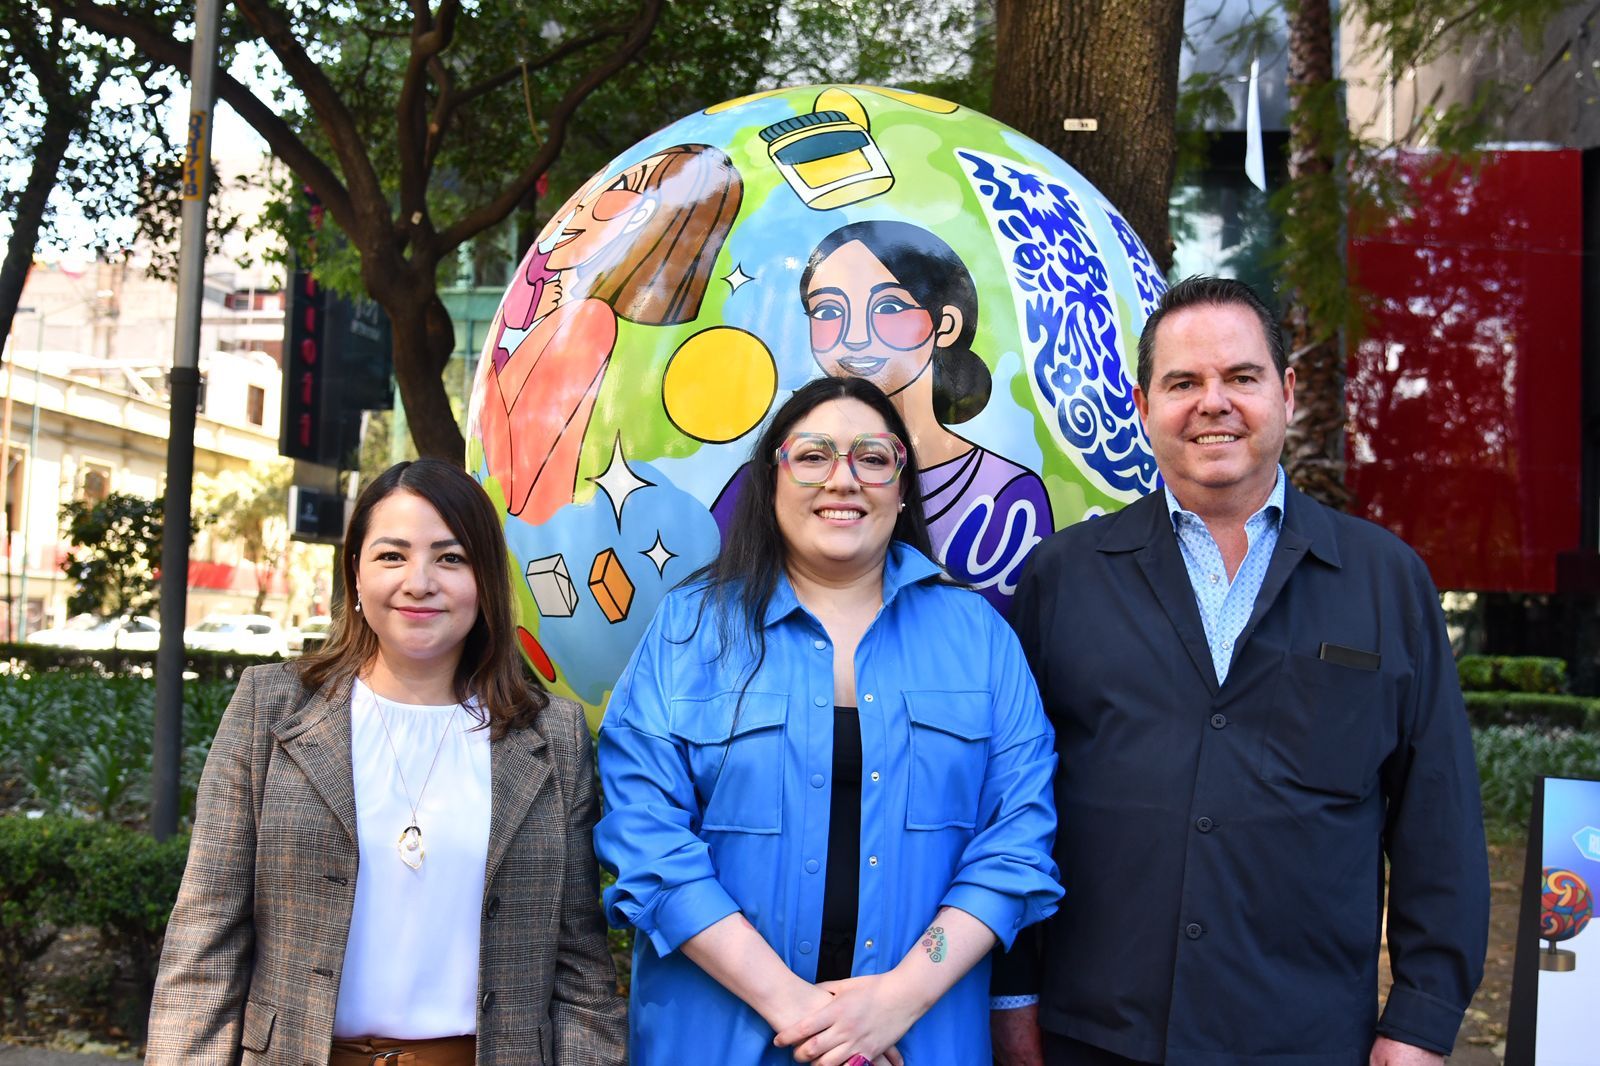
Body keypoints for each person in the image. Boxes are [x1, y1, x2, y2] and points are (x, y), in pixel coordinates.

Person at [991, 276, 1490, 1066]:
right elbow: (1014, 806)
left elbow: (1440, 819)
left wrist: (1420, 1023)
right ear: (1143, 404)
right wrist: (1013, 999)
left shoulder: (1386, 581)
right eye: (1183, 382)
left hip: (1308, 1041)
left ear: (1286, 394)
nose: (1213, 403)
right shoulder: (1064, 577)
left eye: (1241, 377)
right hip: (1096, 1035)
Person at [598, 375, 1061, 1064]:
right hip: (716, 1042)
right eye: (813, 456)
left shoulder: (981, 640)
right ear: (772, 479)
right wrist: (803, 1013)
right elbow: (647, 842)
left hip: (917, 1042)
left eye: (873, 458)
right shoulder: (686, 633)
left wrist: (896, 1002)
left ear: (902, 487)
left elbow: (1016, 844)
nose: (843, 479)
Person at [147, 459, 625, 1065]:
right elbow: (204, 938)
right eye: (392, 556)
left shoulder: (551, 736)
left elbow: (579, 970)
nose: (419, 582)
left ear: (486, 577)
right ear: (355, 571)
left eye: (451, 558)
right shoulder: (271, 708)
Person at [713, 220, 1052, 613]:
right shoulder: (761, 484)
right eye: (828, 310)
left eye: (888, 307)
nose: (855, 336)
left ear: (946, 324)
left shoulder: (1006, 495)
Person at [476, 142, 742, 523]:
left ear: (641, 217)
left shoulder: (589, 324)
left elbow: (531, 486)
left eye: (622, 189)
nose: (584, 206)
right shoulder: (571, 318)